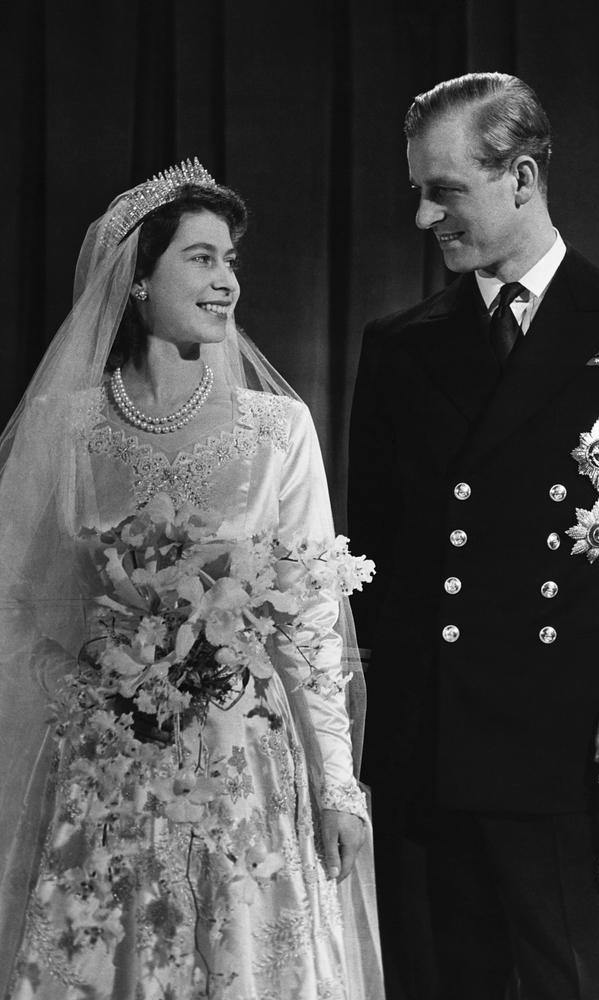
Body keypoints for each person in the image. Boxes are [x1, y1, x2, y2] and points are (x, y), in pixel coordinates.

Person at [0, 160, 383, 1000]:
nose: (228, 283)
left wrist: (337, 788)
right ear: (136, 280)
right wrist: (81, 693)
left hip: (241, 768)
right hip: (106, 774)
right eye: (202, 259)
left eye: (232, 261)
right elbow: (16, 601)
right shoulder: (67, 430)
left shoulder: (278, 430)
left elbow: (312, 621)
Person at [348, 71, 599, 1000]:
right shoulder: (400, 346)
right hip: (427, 749)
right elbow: (374, 562)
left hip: (566, 739)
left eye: (445, 191)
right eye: (417, 192)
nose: (423, 217)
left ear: (522, 177)